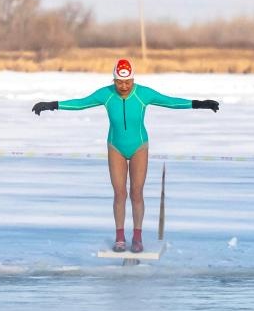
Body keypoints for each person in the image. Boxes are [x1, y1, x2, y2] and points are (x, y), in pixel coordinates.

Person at [32, 59, 219, 253]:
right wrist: (52, 105)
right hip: (115, 146)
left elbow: (170, 102)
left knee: (136, 193)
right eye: (119, 82)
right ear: (114, 80)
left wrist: (200, 104)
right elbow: (81, 104)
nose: (123, 86)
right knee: (120, 193)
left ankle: (137, 237)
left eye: (127, 82)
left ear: (132, 79)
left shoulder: (143, 93)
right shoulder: (106, 94)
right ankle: (120, 236)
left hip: (139, 146)